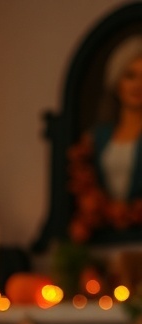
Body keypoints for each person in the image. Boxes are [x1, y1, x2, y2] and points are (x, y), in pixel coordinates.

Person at [68, 35, 142, 241]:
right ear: (118, 81)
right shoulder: (98, 137)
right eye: (130, 75)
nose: (138, 85)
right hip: (105, 239)